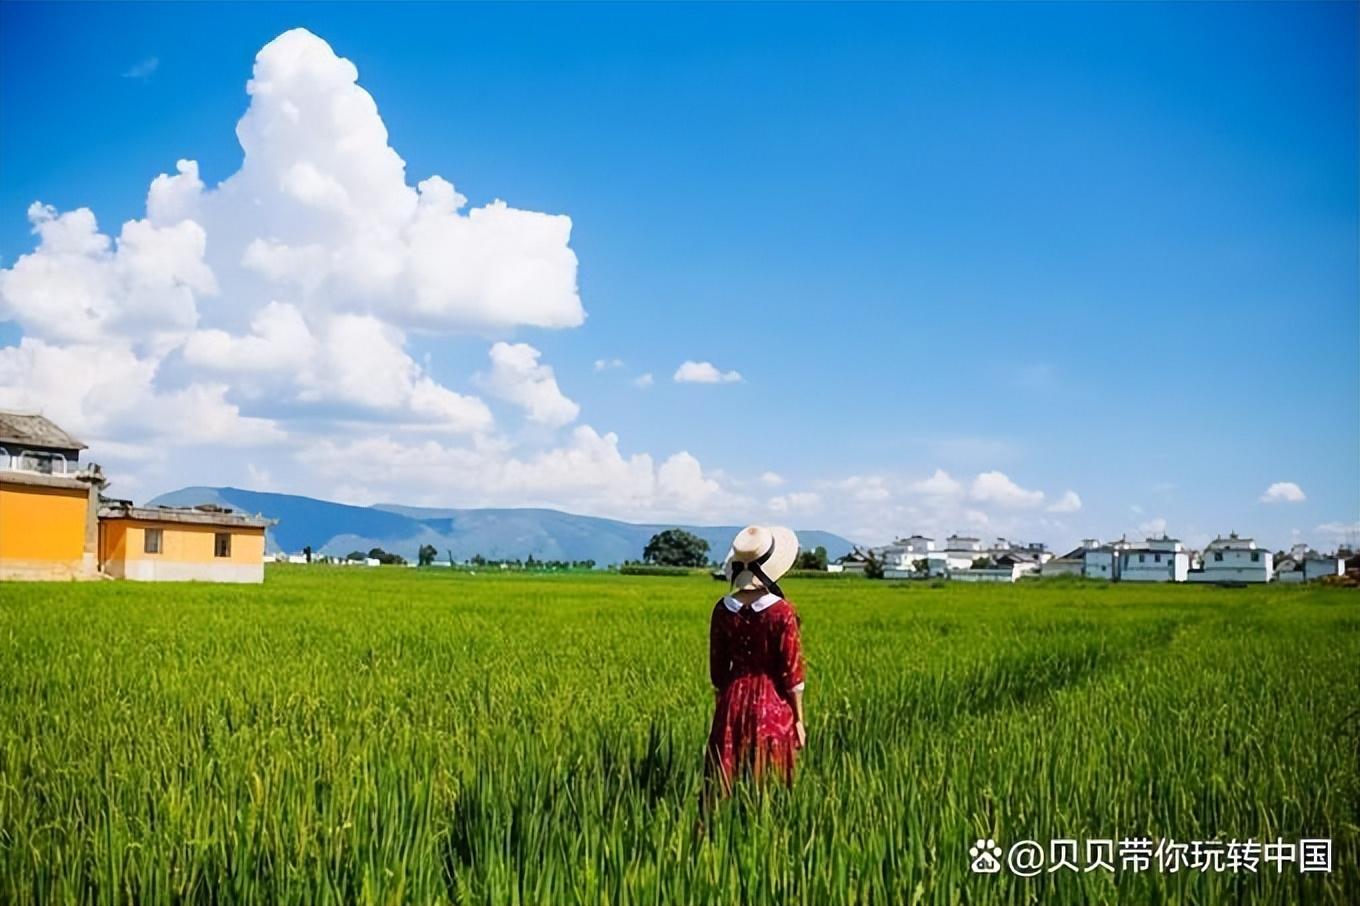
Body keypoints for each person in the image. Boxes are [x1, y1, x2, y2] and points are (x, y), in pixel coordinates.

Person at [704, 524, 806, 797]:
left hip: (731, 700)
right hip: (773, 704)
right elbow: (792, 673)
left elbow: (717, 670)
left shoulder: (722, 609)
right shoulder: (782, 611)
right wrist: (798, 719)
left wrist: (723, 706)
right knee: (769, 788)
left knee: (724, 782)